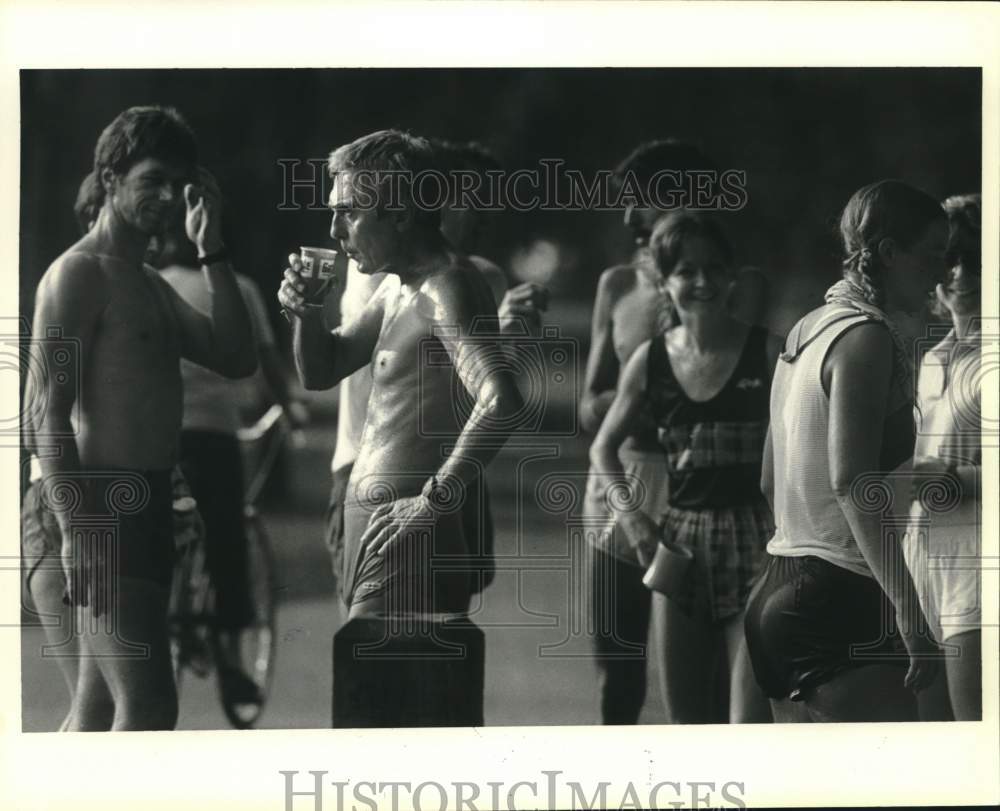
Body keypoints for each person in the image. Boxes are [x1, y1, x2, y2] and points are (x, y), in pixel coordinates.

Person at [23, 105, 257, 731]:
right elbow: (41, 412)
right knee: (148, 706)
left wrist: (214, 253)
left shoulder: (149, 283)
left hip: (147, 504)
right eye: (150, 179)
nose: (165, 196)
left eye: (178, 184)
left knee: (100, 712)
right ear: (109, 179)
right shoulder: (76, 274)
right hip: (90, 504)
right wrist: (80, 531)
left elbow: (235, 356)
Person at [279, 129, 523, 619]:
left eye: (349, 211)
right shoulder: (398, 287)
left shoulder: (446, 287)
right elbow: (322, 370)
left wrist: (434, 500)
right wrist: (306, 313)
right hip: (381, 532)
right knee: (373, 689)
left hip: (408, 539)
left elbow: (502, 400)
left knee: (379, 688)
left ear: (401, 214)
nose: (334, 230)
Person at [744, 179, 945, 722]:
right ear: (888, 254)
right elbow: (852, 483)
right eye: (931, 258)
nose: (943, 275)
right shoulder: (867, 338)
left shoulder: (806, 329)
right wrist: (907, 609)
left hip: (776, 588)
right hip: (840, 595)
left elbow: (770, 479)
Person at [590, 210, 778, 724]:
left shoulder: (769, 354)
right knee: (687, 728)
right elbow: (602, 448)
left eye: (714, 268)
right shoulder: (649, 360)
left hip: (759, 546)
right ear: (664, 280)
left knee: (748, 726)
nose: (702, 282)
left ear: (732, 274)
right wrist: (633, 519)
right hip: (680, 545)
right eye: (686, 271)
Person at [151, 166, 308, 709]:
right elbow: (265, 367)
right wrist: (291, 410)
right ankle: (233, 662)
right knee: (228, 539)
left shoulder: (155, 284)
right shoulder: (237, 287)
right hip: (214, 434)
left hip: (160, 435)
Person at [579, 139, 718, 724]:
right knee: (619, 666)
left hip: (699, 490)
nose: (629, 219)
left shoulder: (731, 286)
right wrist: (642, 397)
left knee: (698, 678)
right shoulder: (616, 286)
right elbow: (589, 407)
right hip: (620, 483)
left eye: (641, 204)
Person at [903, 193, 983, 721]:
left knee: (974, 741)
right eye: (947, 259)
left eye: (973, 259)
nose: (959, 273)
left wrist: (956, 478)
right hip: (920, 560)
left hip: (978, 561)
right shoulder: (931, 360)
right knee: (928, 738)